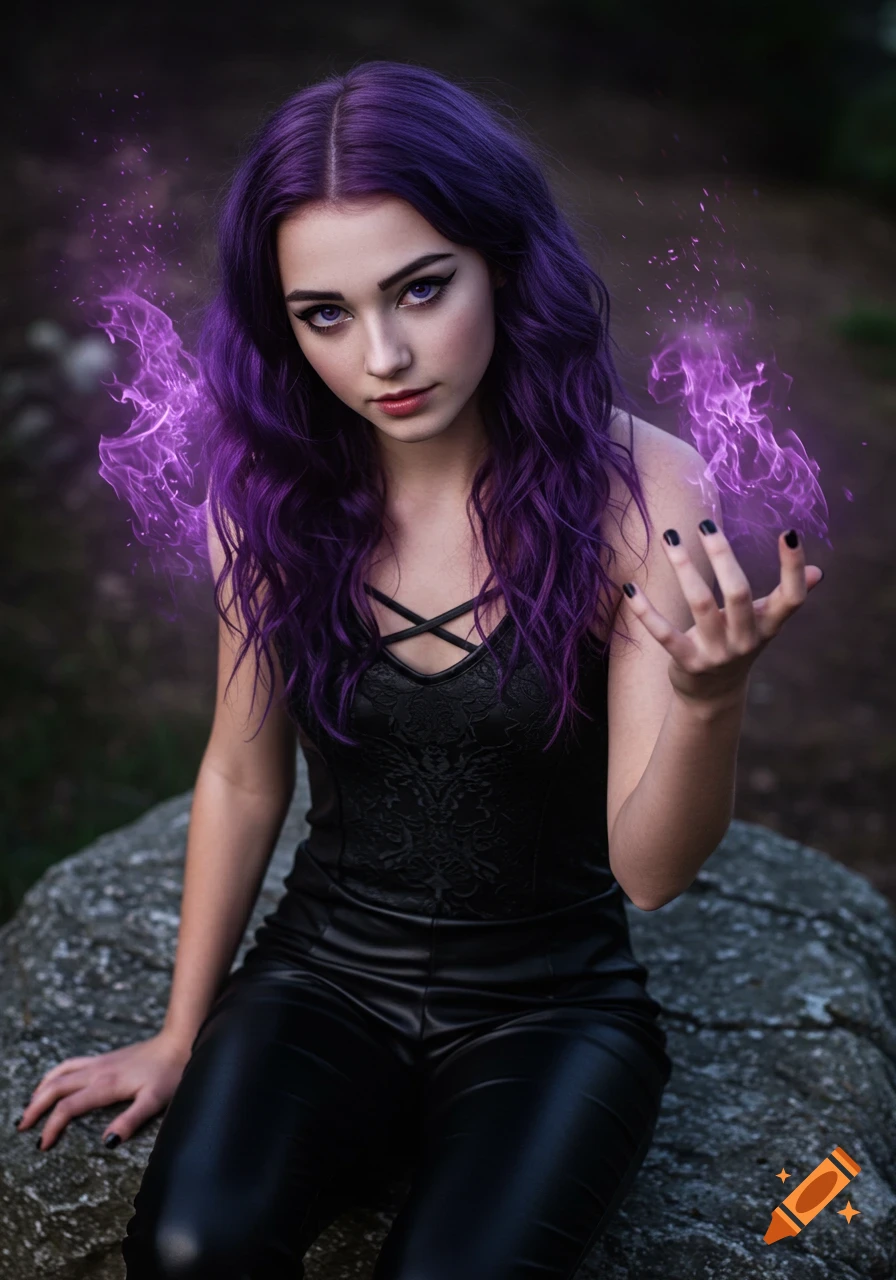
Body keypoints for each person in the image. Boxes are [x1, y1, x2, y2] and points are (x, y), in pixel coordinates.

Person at [17, 60, 822, 1279]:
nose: (383, 355)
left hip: (550, 1008)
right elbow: (240, 779)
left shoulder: (640, 490)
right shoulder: (269, 488)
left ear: (501, 260)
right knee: (188, 1249)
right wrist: (180, 1034)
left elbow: (649, 875)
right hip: (323, 977)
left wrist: (710, 698)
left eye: (422, 288)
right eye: (324, 313)